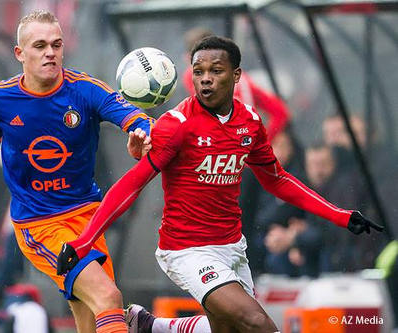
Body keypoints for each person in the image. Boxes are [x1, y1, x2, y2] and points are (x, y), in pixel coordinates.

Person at [57, 36, 383, 333]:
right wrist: (84, 242)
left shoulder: (250, 122)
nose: (206, 79)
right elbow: (131, 185)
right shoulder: (177, 125)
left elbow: (278, 180)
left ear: (237, 75)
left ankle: (149, 326)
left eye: (216, 70)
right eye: (198, 71)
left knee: (228, 330)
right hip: (187, 250)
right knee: (258, 324)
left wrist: (341, 216)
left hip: (232, 248)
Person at [0, 10, 154, 333]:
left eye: (56, 44)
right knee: (108, 297)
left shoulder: (84, 89)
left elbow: (133, 117)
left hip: (88, 221)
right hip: (40, 226)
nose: (50, 52)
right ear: (20, 54)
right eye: (39, 45)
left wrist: (141, 134)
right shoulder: (1, 99)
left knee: (93, 321)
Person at [182, 28, 290, 140]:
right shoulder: (242, 78)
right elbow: (280, 113)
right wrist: (260, 142)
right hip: (245, 149)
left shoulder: (191, 74)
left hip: (222, 149)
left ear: (190, 57)